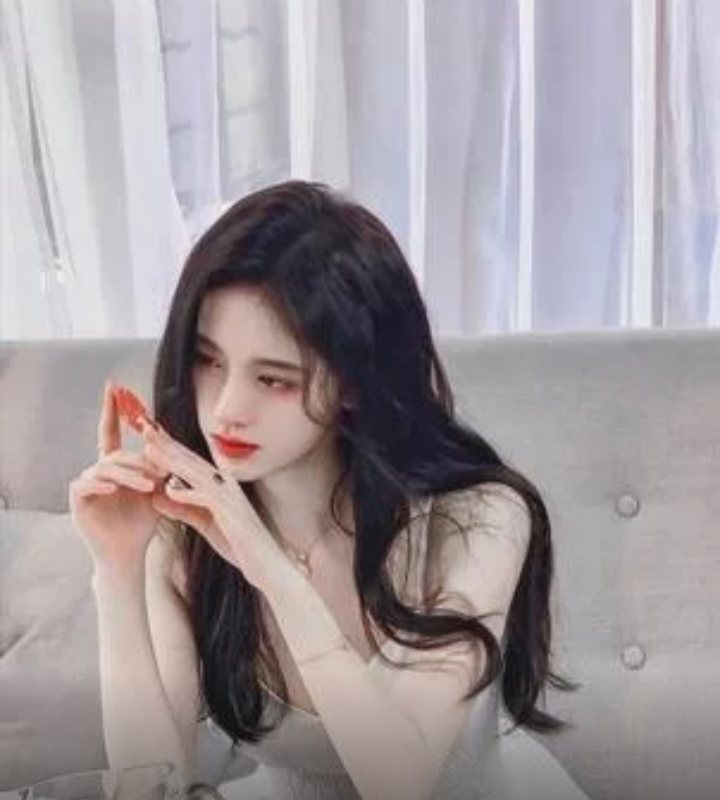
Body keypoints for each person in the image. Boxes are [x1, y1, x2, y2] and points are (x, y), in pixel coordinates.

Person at [69, 181, 590, 800]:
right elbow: (145, 787)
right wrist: (118, 571)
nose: (227, 409)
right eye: (208, 360)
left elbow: (399, 783)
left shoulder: (477, 519)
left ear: (353, 384)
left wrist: (269, 568)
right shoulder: (184, 534)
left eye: (274, 379)